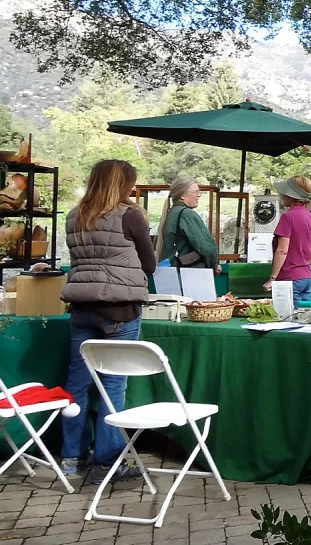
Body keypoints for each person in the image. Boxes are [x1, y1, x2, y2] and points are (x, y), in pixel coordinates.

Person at [59, 159, 156, 478]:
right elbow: (150, 264)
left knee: (77, 384)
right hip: (120, 307)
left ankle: (72, 457)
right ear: (123, 184)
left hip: (81, 307)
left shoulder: (74, 215)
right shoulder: (130, 215)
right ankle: (109, 460)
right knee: (113, 383)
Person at [265, 175, 311, 301]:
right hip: (307, 277)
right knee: (304, 317)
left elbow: (282, 250)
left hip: (289, 278)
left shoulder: (288, 217)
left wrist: (272, 279)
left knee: (288, 318)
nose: (282, 195)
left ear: (291, 195)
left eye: (284, 192)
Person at [155, 177, 220, 272]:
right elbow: (207, 248)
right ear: (182, 195)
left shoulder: (171, 213)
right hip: (191, 274)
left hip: (171, 271)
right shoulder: (187, 214)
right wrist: (214, 266)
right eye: (196, 192)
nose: (199, 195)